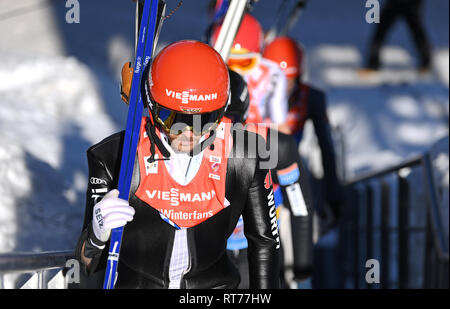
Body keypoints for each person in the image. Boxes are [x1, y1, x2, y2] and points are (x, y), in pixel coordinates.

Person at [75, 40, 280, 289]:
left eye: (204, 119)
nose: (188, 132)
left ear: (223, 110)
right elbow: (85, 263)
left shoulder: (246, 155)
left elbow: (265, 242)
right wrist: (96, 235)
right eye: (172, 119)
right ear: (151, 105)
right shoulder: (112, 157)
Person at [224, 69, 313, 288]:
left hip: (256, 248)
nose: (222, 131)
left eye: (230, 121)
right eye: (210, 121)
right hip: (212, 252)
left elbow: (300, 206)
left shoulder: (273, 146)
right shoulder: (186, 142)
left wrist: (302, 265)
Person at [263, 37, 343, 221]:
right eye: (276, 81)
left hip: (289, 177)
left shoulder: (311, 98)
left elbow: (326, 148)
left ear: (298, 77)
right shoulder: (253, 95)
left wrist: (333, 195)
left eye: (288, 82)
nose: (282, 90)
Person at [211, 13, 291, 134]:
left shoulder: (271, 75)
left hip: (255, 139)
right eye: (229, 63)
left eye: (244, 63)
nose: (236, 72)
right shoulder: (207, 72)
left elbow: (281, 126)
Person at [363, 0, 431, 73]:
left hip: (410, 4)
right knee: (380, 30)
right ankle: (372, 64)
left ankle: (426, 63)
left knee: (417, 31)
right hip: (395, 3)